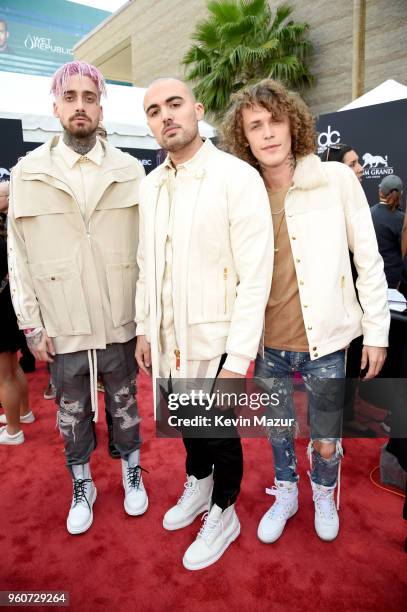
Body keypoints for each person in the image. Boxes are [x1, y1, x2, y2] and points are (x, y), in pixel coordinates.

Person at [222, 79, 389, 543]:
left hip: (328, 343)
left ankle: (322, 490)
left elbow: (368, 258)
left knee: (325, 437)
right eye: (256, 125)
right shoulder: (244, 193)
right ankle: (287, 491)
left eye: (275, 121)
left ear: (293, 125)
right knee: (277, 432)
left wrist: (377, 331)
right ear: (245, 137)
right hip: (268, 343)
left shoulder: (333, 179)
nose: (268, 132)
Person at [136, 77, 273, 569]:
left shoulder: (236, 177)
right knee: (186, 427)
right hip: (169, 339)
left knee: (218, 432)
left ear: (196, 110)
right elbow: (146, 264)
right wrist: (143, 328)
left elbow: (256, 275)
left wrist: (238, 360)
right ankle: (200, 483)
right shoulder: (149, 186)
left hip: (215, 341)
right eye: (154, 111)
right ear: (149, 124)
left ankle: (225, 511)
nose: (166, 116)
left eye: (174, 105)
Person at [7, 61, 147, 534]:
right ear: (56, 107)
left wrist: (144, 318)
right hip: (62, 324)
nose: (80, 106)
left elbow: (147, 252)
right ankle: (81, 483)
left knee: (125, 403)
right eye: (70, 98)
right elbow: (18, 256)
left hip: (118, 319)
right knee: (71, 413)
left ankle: (132, 471)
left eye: (89, 97)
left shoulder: (129, 169)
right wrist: (31, 324)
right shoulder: (29, 173)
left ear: (100, 105)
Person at [0, 181, 33, 444]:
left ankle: (13, 430)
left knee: (4, 375)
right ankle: (23, 413)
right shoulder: (11, 233)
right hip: (9, 310)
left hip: (2, 312)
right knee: (12, 367)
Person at [370, 175, 404, 289]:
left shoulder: (368, 213)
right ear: (401, 194)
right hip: (395, 280)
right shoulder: (402, 219)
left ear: (380, 191)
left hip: (372, 277)